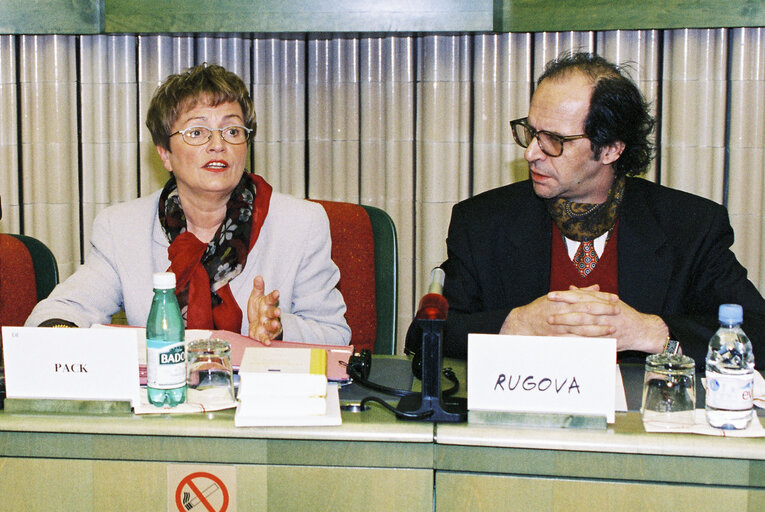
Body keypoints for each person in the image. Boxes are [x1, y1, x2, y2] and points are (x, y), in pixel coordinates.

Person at [440, 52, 765, 368]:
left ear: (610, 148)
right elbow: (425, 337)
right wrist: (514, 325)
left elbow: (758, 332)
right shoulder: (482, 221)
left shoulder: (689, 226)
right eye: (531, 132)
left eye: (553, 140)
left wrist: (652, 333)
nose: (530, 153)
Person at [26, 64, 351, 346]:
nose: (218, 145)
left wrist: (277, 329)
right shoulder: (121, 228)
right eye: (197, 132)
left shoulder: (301, 223)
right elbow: (63, 310)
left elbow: (335, 334)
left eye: (232, 130)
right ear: (165, 152)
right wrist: (60, 338)